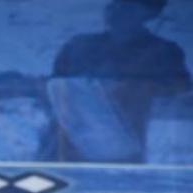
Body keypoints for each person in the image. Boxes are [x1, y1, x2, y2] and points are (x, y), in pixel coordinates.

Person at [42, 0, 191, 162]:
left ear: (150, 13)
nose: (116, 10)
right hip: (67, 153)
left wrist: (131, 89)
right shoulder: (78, 46)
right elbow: (55, 93)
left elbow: (178, 96)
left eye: (128, 6)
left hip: (126, 152)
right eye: (114, 4)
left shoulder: (165, 52)